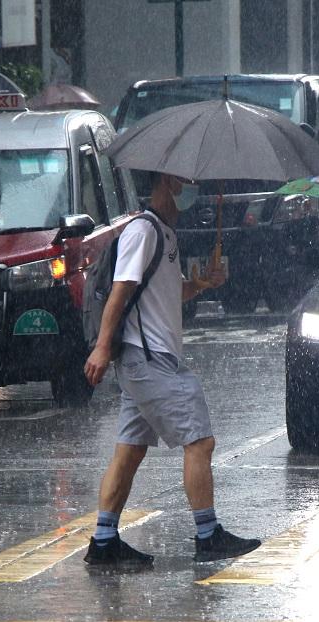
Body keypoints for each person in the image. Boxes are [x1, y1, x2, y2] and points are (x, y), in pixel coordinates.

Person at [83, 171, 261, 568]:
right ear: (168, 181)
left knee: (130, 451)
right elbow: (120, 291)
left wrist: (201, 284)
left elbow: (169, 291)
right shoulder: (143, 230)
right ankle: (207, 535)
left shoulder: (164, 233)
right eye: (186, 179)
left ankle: (104, 542)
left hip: (147, 359)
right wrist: (102, 347)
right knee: (200, 441)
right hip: (149, 359)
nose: (192, 186)